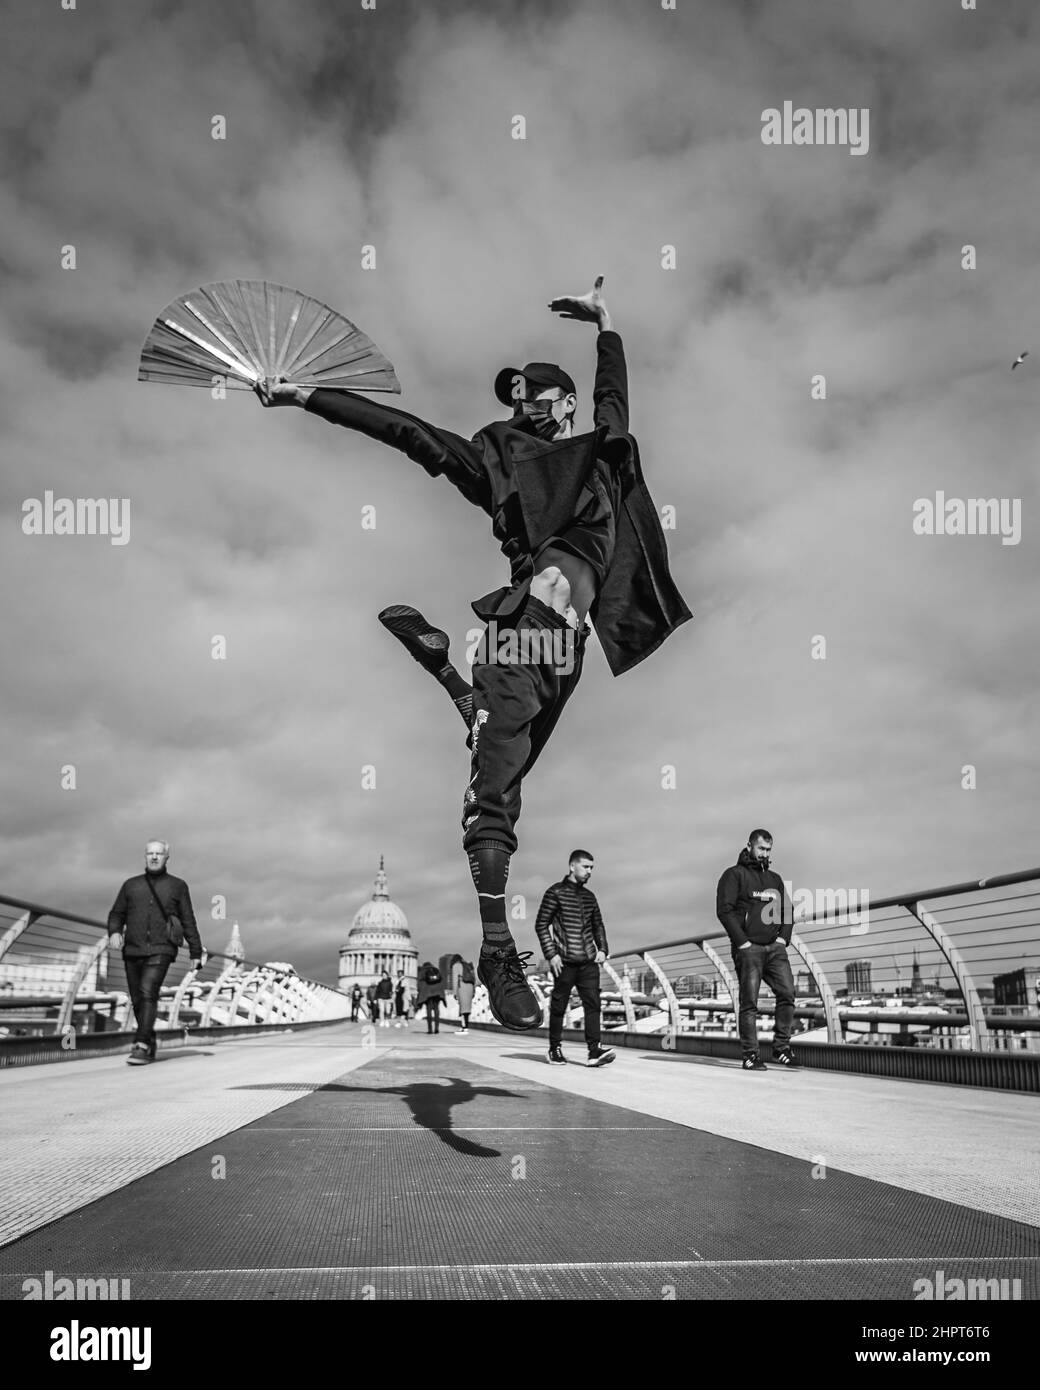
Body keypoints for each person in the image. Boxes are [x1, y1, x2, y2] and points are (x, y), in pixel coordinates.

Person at [256, 277, 690, 1032]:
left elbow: (614, 399)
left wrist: (607, 326)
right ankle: (496, 947)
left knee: (505, 764)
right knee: (494, 799)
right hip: (522, 627)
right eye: (513, 395)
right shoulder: (500, 469)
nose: (521, 402)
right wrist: (307, 397)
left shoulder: (603, 456)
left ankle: (455, 685)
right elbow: (412, 435)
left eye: (533, 393)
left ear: (561, 404)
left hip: (568, 652)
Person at [106, 840, 204, 1066]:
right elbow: (116, 914)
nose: (154, 857)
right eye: (150, 853)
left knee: (148, 990)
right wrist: (114, 931)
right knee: (138, 999)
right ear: (144, 856)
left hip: (162, 949)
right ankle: (149, 1041)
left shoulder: (178, 886)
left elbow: (188, 919)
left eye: (159, 853)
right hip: (132, 949)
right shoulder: (131, 885)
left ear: (167, 857)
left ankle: (140, 1044)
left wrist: (195, 952)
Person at [715, 829, 798, 1070]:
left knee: (788, 993)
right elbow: (724, 910)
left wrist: (783, 939)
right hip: (749, 949)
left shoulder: (775, 879)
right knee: (749, 1002)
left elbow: (787, 911)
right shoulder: (733, 875)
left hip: (775, 948)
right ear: (749, 846)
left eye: (768, 850)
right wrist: (742, 942)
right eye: (761, 848)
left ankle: (781, 1047)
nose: (764, 854)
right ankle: (751, 1055)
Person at [535, 849, 615, 1068]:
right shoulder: (555, 892)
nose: (589, 871)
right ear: (572, 866)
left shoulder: (589, 897)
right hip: (564, 961)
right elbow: (541, 924)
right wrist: (551, 955)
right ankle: (554, 1049)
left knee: (593, 1004)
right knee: (559, 1004)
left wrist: (602, 949)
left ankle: (594, 1051)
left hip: (588, 961)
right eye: (586, 867)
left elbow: (598, 925)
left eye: (592, 868)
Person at [416, 961, 446, 1035]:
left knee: (429, 1011)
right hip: (437, 993)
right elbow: (442, 980)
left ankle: (430, 1029)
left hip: (427, 994)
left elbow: (419, 984)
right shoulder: (436, 970)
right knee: (436, 1010)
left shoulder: (422, 971)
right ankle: (436, 1028)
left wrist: (420, 993)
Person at [456, 960, 476, 1034]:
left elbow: (455, 980)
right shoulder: (470, 967)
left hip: (462, 988)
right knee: (467, 1009)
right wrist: (474, 991)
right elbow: (474, 980)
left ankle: (464, 1027)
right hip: (470, 988)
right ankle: (466, 1026)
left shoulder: (458, 966)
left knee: (462, 1009)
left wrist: (455, 993)